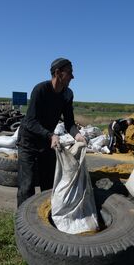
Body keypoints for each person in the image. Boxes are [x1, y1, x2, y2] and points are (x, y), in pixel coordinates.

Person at [16, 58, 86, 208]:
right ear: (58, 73)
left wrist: (77, 135)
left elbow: (69, 123)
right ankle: (22, 223)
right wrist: (51, 135)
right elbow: (30, 121)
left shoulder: (67, 94)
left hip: (46, 141)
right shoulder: (41, 89)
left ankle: (45, 219)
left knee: (48, 183)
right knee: (26, 185)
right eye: (70, 73)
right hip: (28, 141)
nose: (72, 77)